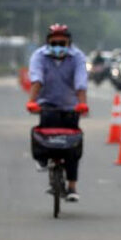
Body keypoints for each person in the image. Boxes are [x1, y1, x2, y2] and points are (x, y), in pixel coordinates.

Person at [27, 24, 89, 202]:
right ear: (48, 42)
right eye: (54, 42)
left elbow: (80, 82)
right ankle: (43, 159)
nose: (58, 46)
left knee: (72, 146)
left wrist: (82, 104)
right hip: (47, 105)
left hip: (71, 106)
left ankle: (71, 187)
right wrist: (32, 101)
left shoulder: (77, 57)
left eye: (62, 42)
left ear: (69, 42)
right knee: (43, 138)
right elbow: (36, 78)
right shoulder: (39, 56)